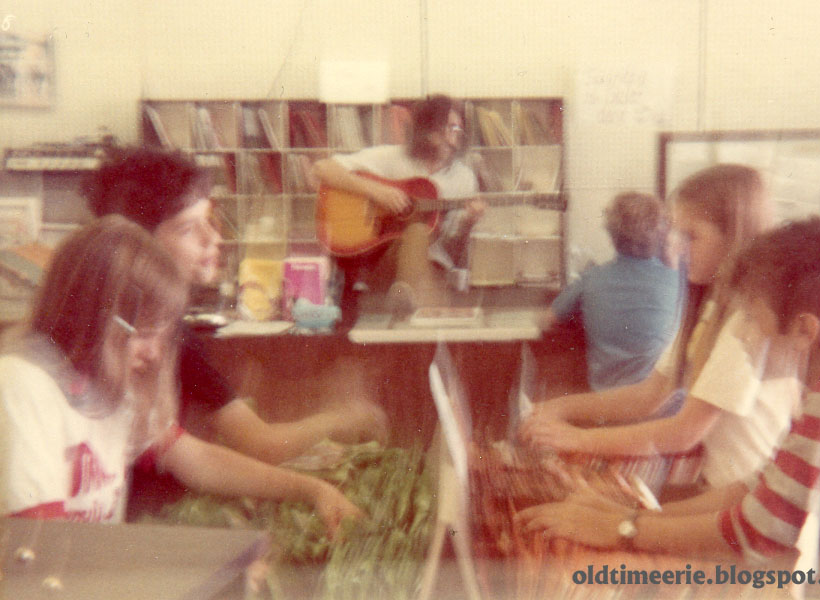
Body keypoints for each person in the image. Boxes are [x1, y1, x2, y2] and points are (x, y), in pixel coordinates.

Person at [517, 218, 820, 567]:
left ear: (804, 331)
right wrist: (627, 519)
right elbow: (761, 488)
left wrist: (624, 529)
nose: (742, 332)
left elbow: (759, 532)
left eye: (752, 315)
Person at [0, 217, 360, 533]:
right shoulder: (22, 382)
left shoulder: (109, 375)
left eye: (161, 335)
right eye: (140, 333)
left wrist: (312, 490)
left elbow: (198, 460)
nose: (154, 353)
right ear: (90, 317)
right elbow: (39, 554)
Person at [82, 148, 387, 518]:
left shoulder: (162, 328)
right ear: (136, 245)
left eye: (209, 220)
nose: (214, 238)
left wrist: (310, 489)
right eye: (188, 228)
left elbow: (181, 450)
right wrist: (345, 416)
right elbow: (262, 444)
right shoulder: (152, 338)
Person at [520, 164, 789, 490]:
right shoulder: (709, 309)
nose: (675, 248)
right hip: (721, 485)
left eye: (691, 236)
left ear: (734, 240)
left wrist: (577, 438)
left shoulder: (745, 322)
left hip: (752, 495)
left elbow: (683, 433)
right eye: (676, 234)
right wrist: (557, 408)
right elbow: (650, 394)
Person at [314, 94, 483, 314]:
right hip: (384, 266)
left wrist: (469, 221)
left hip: (433, 270)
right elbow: (322, 168)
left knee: (419, 234)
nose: (453, 138)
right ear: (426, 129)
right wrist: (377, 191)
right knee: (418, 233)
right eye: (447, 128)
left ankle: (407, 302)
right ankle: (409, 304)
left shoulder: (464, 178)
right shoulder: (392, 157)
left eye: (457, 130)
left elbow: (451, 248)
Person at [541, 191, 681, 391]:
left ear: (611, 236)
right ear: (661, 235)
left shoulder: (591, 278)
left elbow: (548, 320)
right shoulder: (677, 281)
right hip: (663, 405)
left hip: (607, 404)